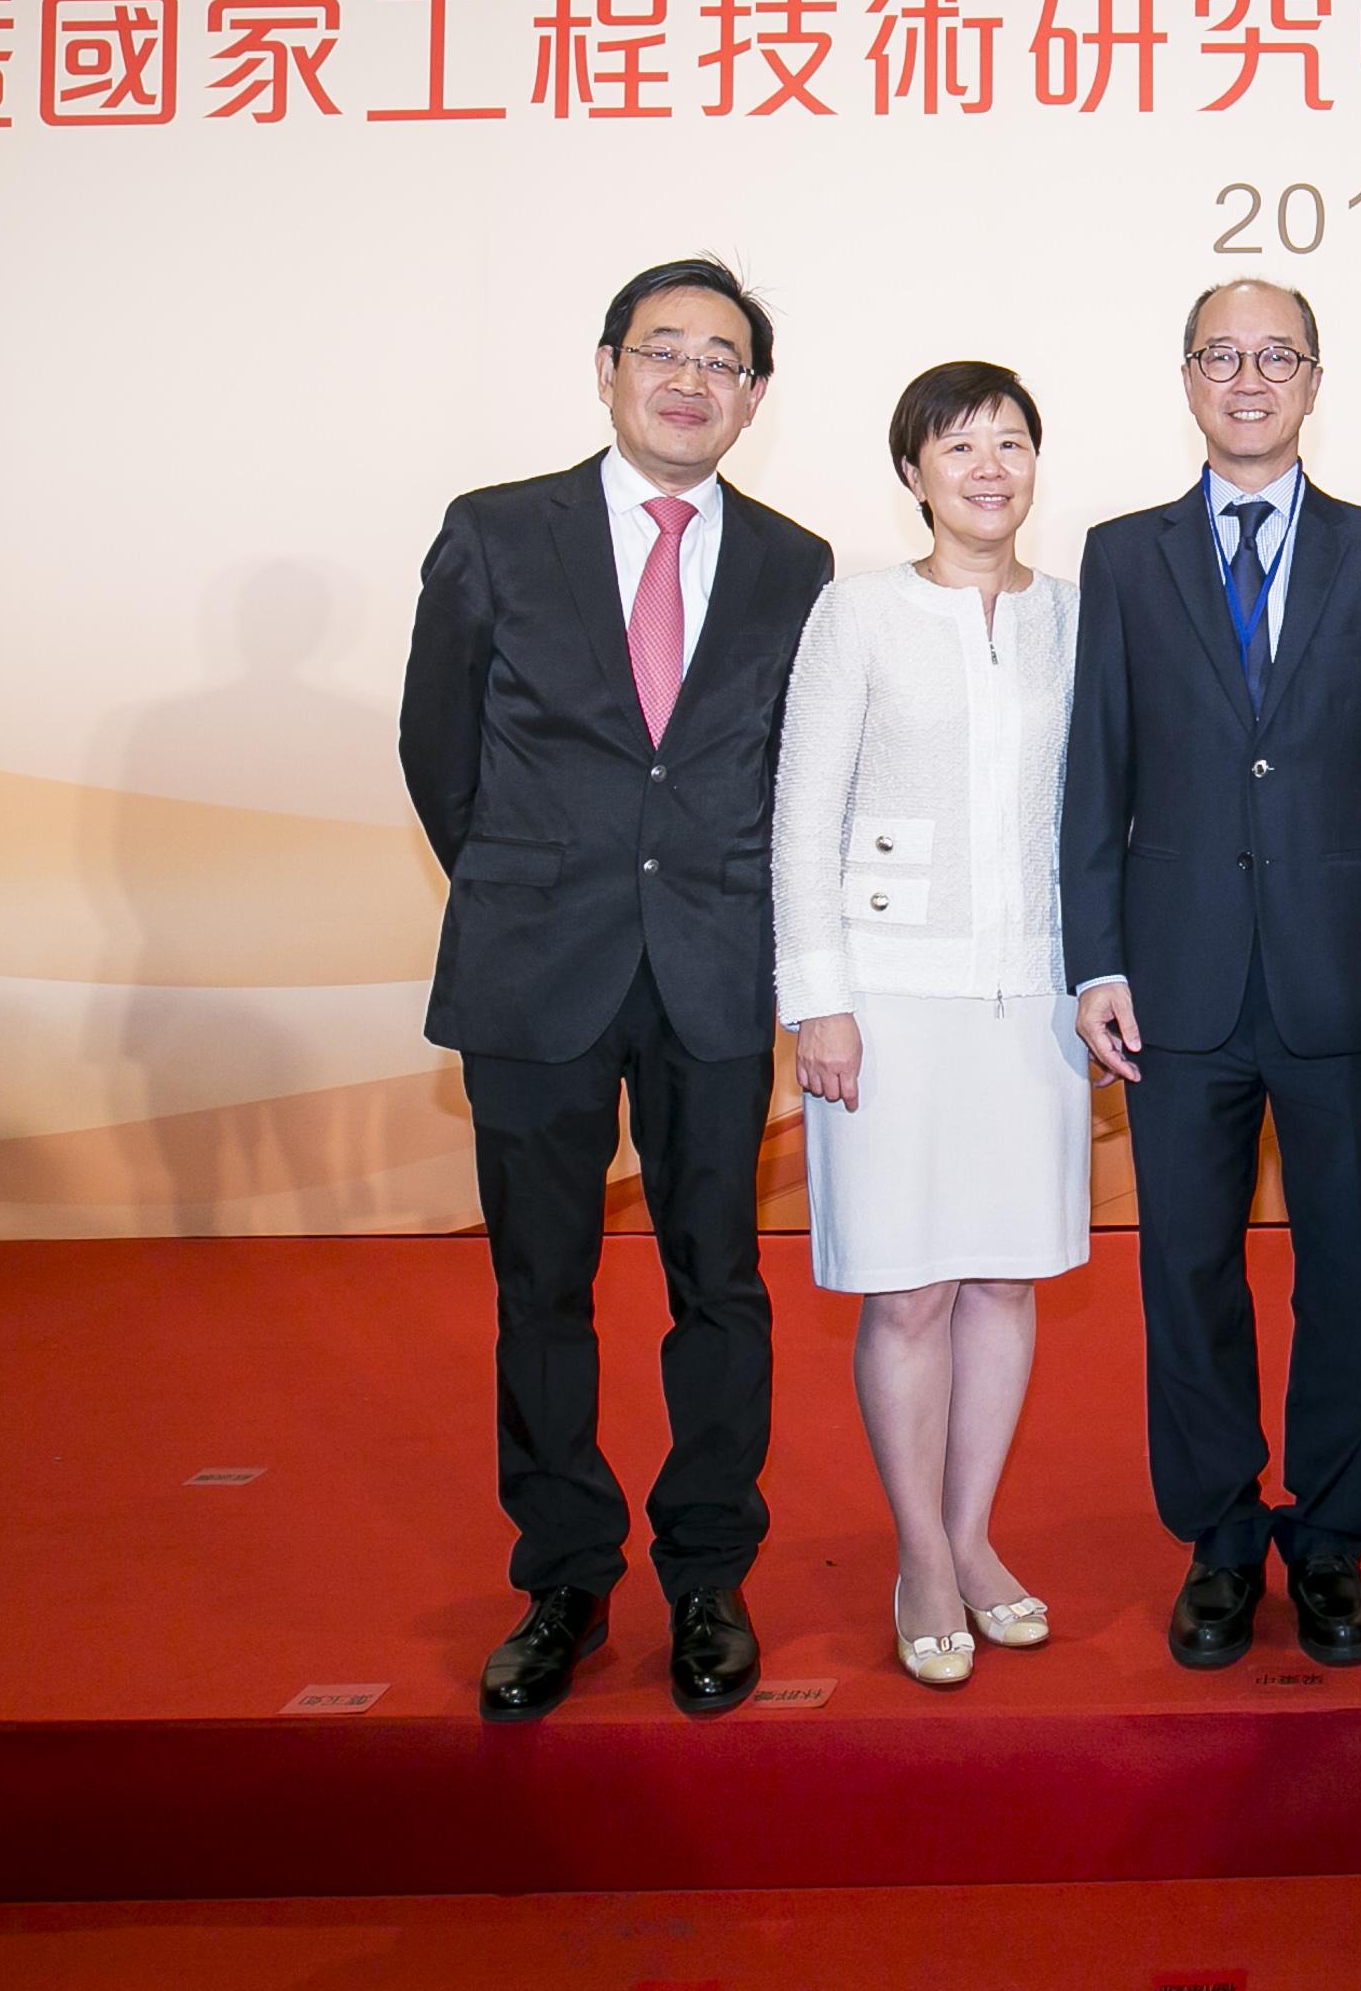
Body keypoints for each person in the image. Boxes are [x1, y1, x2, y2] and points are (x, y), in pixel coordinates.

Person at [400, 255, 833, 1721]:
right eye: (665, 349)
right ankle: (566, 1577)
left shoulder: (795, 562)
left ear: (755, 397)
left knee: (721, 1285)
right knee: (544, 1289)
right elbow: (436, 751)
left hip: (713, 968)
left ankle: (709, 1573)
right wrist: (536, 878)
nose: (691, 378)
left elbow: (796, 772)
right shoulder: (496, 532)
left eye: (724, 359)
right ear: (607, 366)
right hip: (536, 969)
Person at [1065, 280, 1361, 1671]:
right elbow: (1092, 779)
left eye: (1275, 355)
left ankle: (1336, 1543)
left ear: (1314, 379)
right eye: (1222, 356)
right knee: (1186, 1269)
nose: (1250, 377)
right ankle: (1223, 1539)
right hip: (1173, 986)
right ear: (1185, 379)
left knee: (1348, 1270)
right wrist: (1095, 958)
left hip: (1344, 978)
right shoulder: (1121, 558)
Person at [772, 362, 1089, 1690]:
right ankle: (918, 1552)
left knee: (1005, 1277)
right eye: (960, 446)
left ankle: (973, 1535)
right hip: (887, 1004)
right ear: (913, 469)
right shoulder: (857, 613)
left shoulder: (1080, 617)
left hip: (1038, 998)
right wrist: (818, 1002)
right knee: (907, 1291)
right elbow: (803, 813)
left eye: (1012, 443)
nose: (989, 468)